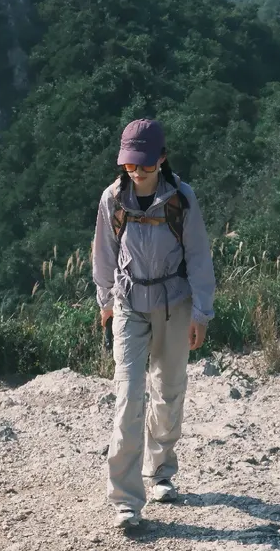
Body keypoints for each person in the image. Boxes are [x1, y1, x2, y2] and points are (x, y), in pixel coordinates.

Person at [92, 118, 215, 529]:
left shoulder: (181, 198)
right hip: (128, 303)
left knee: (169, 390)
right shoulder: (112, 198)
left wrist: (201, 313)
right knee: (128, 397)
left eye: (145, 164)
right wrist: (105, 301)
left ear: (162, 158)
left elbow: (198, 256)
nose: (137, 171)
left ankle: (160, 471)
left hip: (175, 304)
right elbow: (104, 254)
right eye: (130, 164)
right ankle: (126, 500)